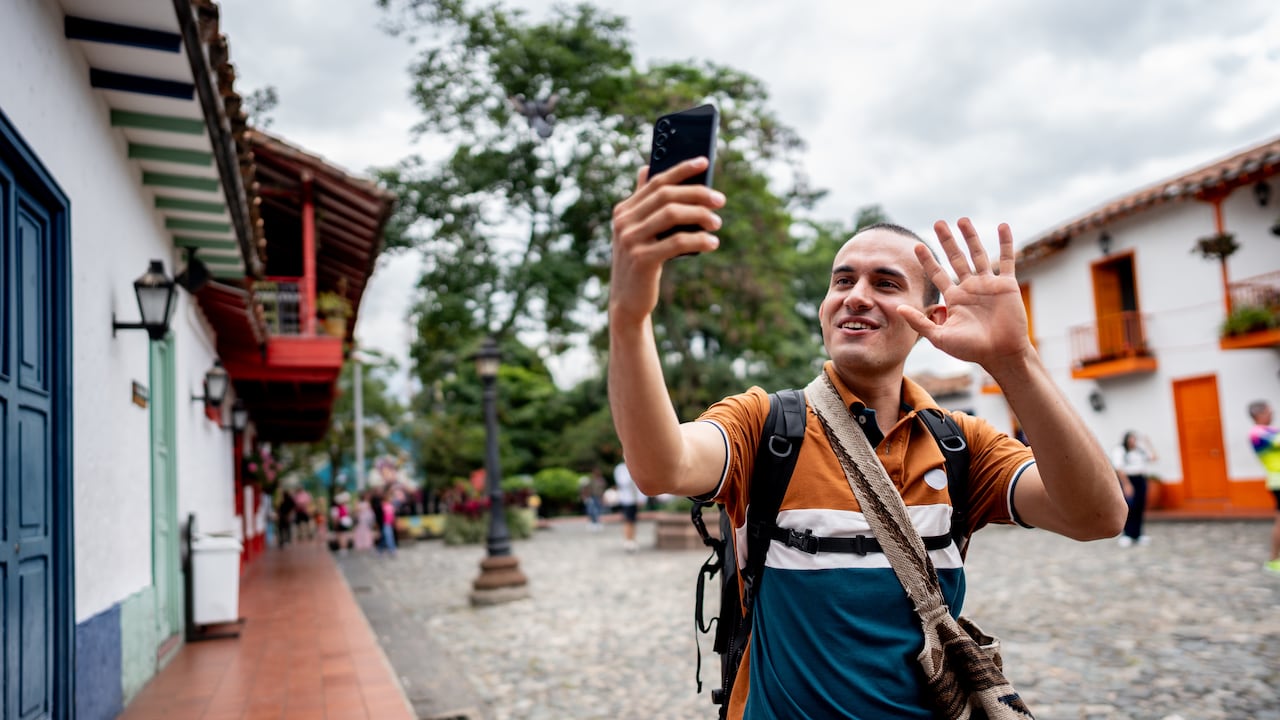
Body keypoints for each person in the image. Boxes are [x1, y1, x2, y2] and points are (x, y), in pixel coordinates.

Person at [607, 156, 1127, 718]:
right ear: (824, 308)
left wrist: (1014, 360)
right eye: (842, 280)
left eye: (885, 283)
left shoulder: (962, 445)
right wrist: (629, 315)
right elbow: (662, 467)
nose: (855, 295)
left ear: (932, 317)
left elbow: (1098, 517)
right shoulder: (765, 424)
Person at [1248, 400, 1280, 573]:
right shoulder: (1258, 433)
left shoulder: (1270, 431)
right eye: (1269, 411)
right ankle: (1274, 559)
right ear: (1259, 414)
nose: (1272, 413)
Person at [1111, 430, 1158, 547]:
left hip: (1140, 479)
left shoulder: (1140, 450)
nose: (1133, 441)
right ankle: (1127, 534)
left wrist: (1148, 444)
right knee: (1129, 507)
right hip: (1128, 480)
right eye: (1131, 439)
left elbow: (1154, 458)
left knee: (1139, 506)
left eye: (1134, 439)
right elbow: (1119, 468)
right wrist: (1126, 484)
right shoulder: (1120, 450)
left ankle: (1138, 534)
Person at [613, 461, 644, 551]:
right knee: (628, 520)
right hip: (626, 500)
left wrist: (641, 499)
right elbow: (623, 482)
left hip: (634, 499)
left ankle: (632, 539)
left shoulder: (636, 465)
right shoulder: (620, 468)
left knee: (633, 520)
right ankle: (628, 540)